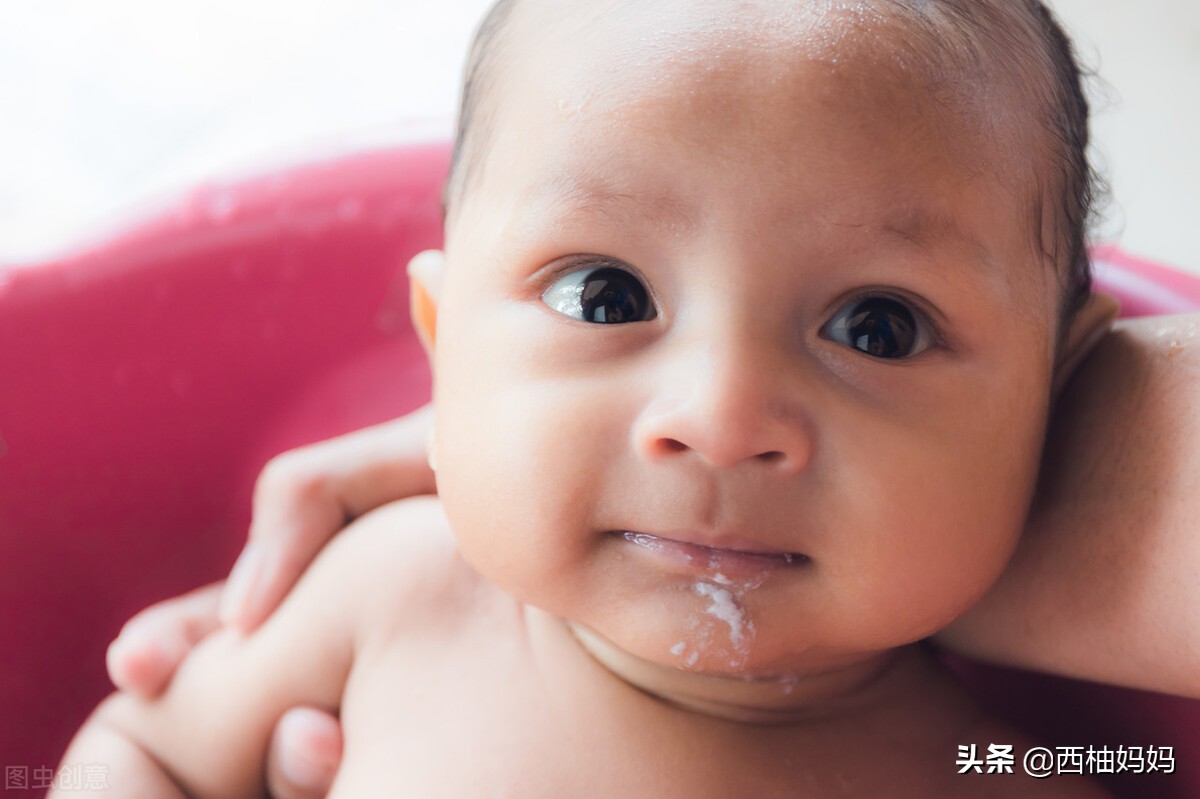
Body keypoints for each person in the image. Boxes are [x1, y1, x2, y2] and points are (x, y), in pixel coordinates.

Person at [59, 0, 1200, 794]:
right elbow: (143, 748)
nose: (719, 415)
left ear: (1056, 391)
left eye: (878, 327)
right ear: (445, 345)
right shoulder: (396, 597)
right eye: (606, 296)